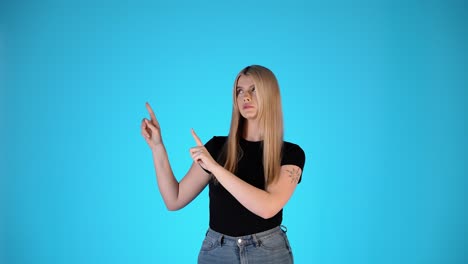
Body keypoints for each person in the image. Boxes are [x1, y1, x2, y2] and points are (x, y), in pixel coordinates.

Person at [141, 65, 305, 263]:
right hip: (217, 251)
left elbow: (268, 208)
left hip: (268, 252)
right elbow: (174, 199)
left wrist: (216, 168)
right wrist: (157, 146)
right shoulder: (217, 148)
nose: (246, 97)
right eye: (240, 91)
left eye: (254, 89)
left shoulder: (290, 154)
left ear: (270, 94)